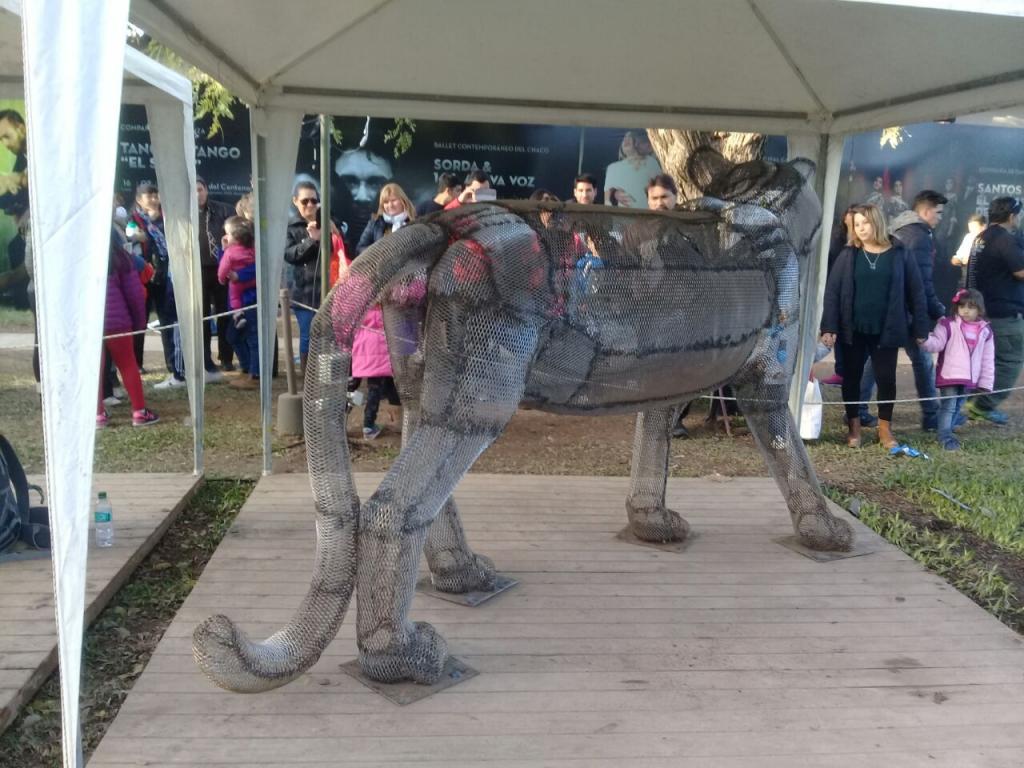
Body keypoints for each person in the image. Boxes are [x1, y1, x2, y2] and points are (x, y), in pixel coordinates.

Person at [820, 203, 930, 449]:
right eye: (856, 225)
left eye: (865, 223)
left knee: (886, 380)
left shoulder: (900, 253)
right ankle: (854, 428)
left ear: (877, 222)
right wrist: (829, 327)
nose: (860, 228)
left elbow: (917, 292)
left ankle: (884, 430)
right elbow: (833, 292)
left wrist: (921, 329)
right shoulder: (849, 254)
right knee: (851, 379)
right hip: (853, 330)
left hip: (886, 330)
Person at [865, 189, 946, 430]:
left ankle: (857, 409)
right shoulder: (920, 237)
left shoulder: (898, 231)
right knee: (922, 361)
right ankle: (932, 416)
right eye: (938, 213)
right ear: (925, 211)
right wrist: (937, 310)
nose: (940, 218)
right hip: (908, 312)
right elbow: (922, 282)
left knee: (875, 361)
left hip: (890, 309)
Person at [352, 183, 412, 439]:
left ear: (403, 201)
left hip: (405, 297)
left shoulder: (414, 225)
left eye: (393, 201)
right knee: (377, 370)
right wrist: (386, 254)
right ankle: (368, 420)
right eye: (385, 203)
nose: (389, 206)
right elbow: (361, 249)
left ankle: (400, 415)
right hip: (380, 297)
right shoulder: (376, 224)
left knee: (400, 363)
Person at [966, 196, 1024, 425]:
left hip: (982, 311)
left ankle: (975, 401)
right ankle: (983, 405)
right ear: (1012, 216)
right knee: (1009, 361)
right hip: (1004, 314)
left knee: (986, 361)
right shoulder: (1005, 240)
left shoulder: (981, 238)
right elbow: (1021, 272)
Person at [97, 229, 159, 428]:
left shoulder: (80, 261)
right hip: (118, 322)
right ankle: (139, 412)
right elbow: (134, 295)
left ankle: (97, 415)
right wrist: (139, 322)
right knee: (128, 364)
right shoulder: (122, 260)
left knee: (94, 369)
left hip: (91, 324)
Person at [918, 289, 994, 451]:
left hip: (968, 378)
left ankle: (947, 431)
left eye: (971, 307)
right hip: (950, 375)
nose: (965, 310)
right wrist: (924, 341)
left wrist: (986, 382)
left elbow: (988, 359)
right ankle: (945, 436)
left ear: (979, 309)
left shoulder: (985, 331)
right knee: (949, 405)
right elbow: (937, 343)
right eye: (962, 306)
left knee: (958, 404)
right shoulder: (948, 325)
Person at [284, 180, 345, 376]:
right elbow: (290, 255)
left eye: (314, 201)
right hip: (304, 292)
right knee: (308, 336)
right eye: (305, 201)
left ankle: (326, 377)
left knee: (330, 337)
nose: (310, 205)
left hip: (331, 289)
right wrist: (312, 240)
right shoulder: (290, 227)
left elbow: (344, 251)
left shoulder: (331, 221)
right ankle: (309, 378)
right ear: (295, 201)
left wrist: (334, 231)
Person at [131, 183, 185, 390]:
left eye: (155, 195)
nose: (153, 199)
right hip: (141, 277)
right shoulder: (132, 218)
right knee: (139, 321)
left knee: (167, 320)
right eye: (148, 195)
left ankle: (173, 365)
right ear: (138, 199)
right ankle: (137, 364)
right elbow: (130, 237)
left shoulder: (166, 217)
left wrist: (155, 227)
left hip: (163, 276)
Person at [197, 177, 234, 378]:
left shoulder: (223, 210)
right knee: (202, 316)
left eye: (200, 189)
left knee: (224, 314)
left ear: (207, 190)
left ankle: (227, 358)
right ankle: (206, 360)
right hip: (198, 270)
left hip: (221, 268)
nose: (198, 194)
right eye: (193, 191)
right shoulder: (186, 213)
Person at [218, 216, 259, 389]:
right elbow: (224, 264)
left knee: (253, 339)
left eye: (227, 233)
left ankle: (255, 375)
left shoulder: (255, 250)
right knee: (233, 336)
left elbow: (258, 269)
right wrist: (224, 249)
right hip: (237, 303)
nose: (225, 236)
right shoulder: (231, 251)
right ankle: (246, 368)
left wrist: (239, 276)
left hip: (250, 302)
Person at [604, 130, 661, 209]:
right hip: (620, 217)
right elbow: (607, 198)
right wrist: (614, 194)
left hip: (645, 215)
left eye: (631, 137)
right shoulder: (612, 168)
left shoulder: (651, 162)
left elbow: (660, 189)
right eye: (624, 137)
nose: (626, 140)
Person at [952, 213, 986, 282]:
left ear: (984, 226)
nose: (972, 232)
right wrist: (959, 260)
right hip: (966, 278)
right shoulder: (968, 237)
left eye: (975, 229)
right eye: (970, 229)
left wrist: (969, 260)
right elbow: (956, 258)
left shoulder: (990, 239)